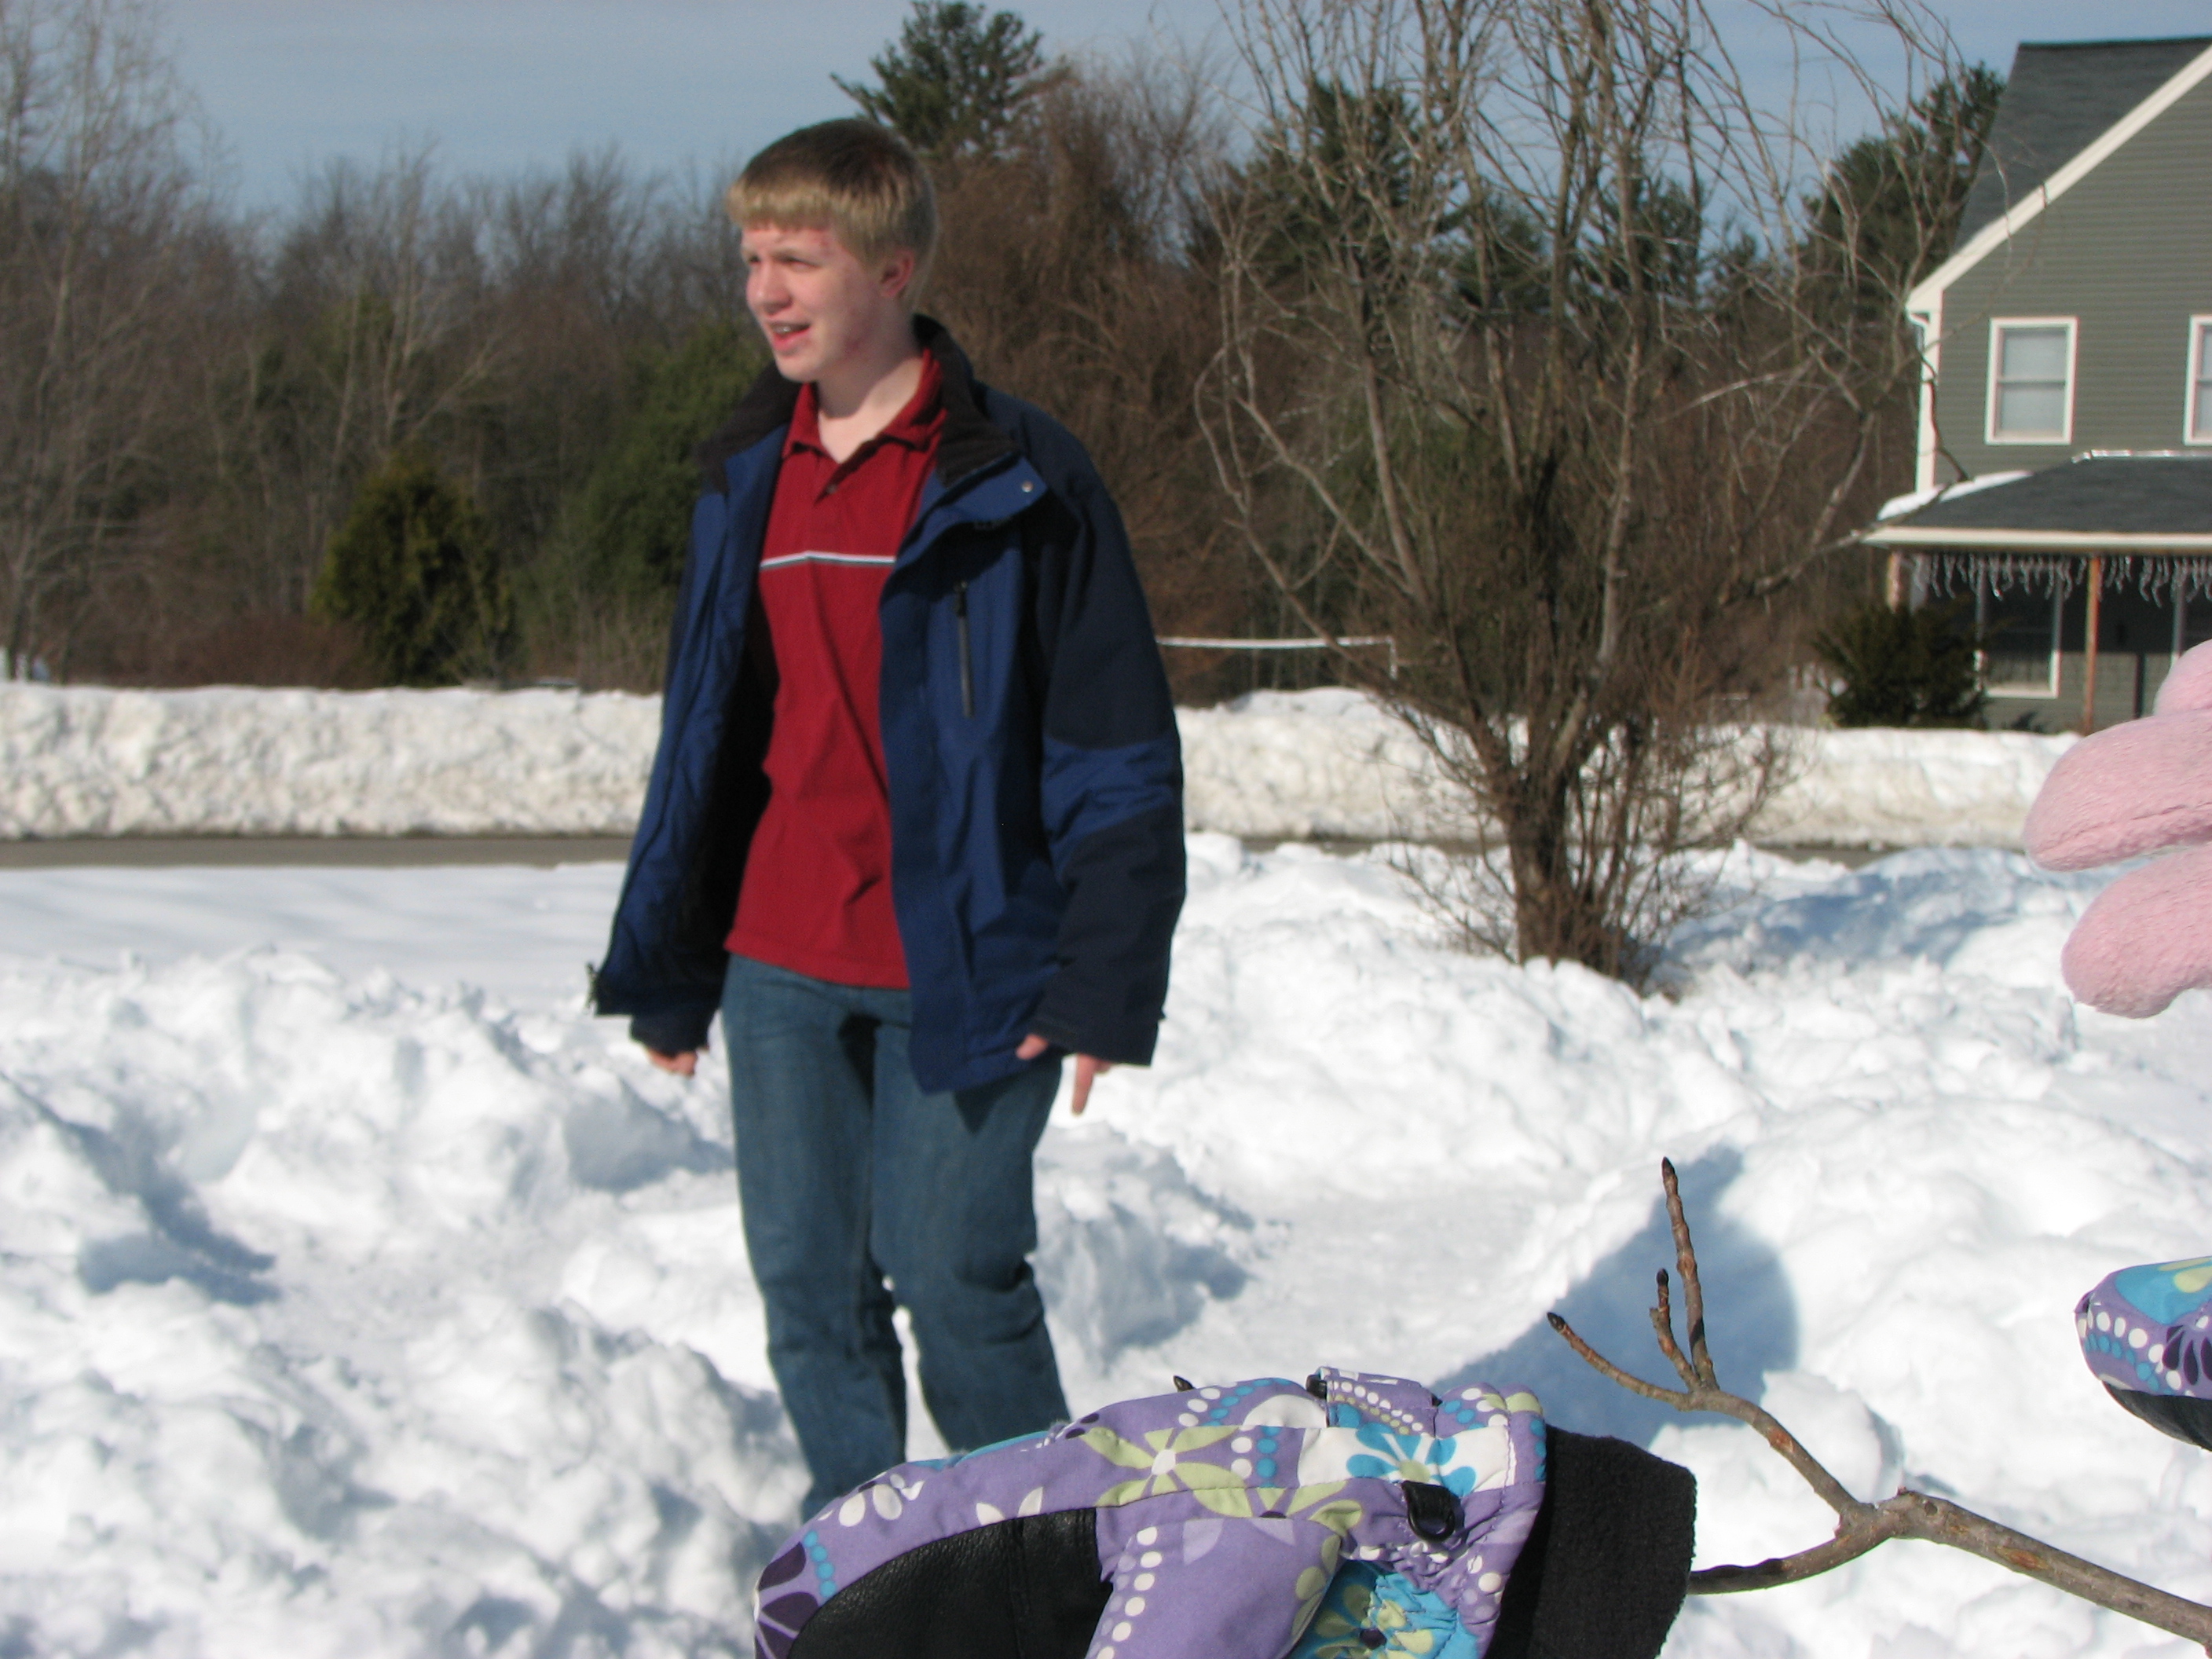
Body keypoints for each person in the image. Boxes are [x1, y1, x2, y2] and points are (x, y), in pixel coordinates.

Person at [591, 119, 1185, 1513]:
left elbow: (1112, 745)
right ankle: (870, 1560)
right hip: (780, 959)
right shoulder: (749, 470)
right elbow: (708, 738)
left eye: (800, 261)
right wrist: (673, 968)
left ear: (895, 268)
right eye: (753, 260)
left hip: (971, 961)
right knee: (808, 1287)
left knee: (956, 1276)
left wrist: (1105, 976)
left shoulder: (1018, 471)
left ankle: (1033, 1556)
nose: (766, 292)